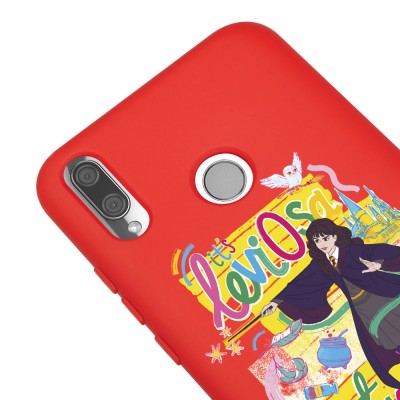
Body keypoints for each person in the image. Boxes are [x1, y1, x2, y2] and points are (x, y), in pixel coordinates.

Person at [261, 218, 400, 388]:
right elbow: (301, 282)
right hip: (361, 307)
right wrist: (276, 302)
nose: (322, 244)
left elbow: (383, 251)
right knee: (383, 337)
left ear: (335, 236)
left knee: (393, 323)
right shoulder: (322, 263)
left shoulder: (354, 250)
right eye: (317, 240)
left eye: (325, 238)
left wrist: (379, 264)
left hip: (383, 294)